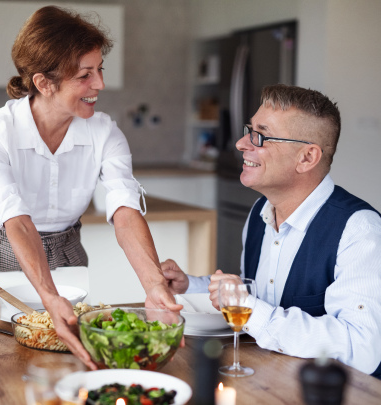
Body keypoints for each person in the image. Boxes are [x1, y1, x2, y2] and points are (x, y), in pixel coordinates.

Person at [0, 5, 181, 369]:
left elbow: (124, 211)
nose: (100, 85)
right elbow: (16, 219)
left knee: (63, 357)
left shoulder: (105, 132)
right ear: (44, 83)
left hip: (65, 253)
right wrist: (47, 294)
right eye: (85, 75)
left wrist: (153, 286)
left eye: (100, 70)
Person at [162, 84, 381, 377]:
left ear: (307, 158)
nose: (241, 143)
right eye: (248, 129)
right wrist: (190, 286)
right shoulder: (259, 213)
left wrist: (248, 308)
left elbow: (363, 349)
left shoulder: (360, 230)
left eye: (260, 136)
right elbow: (258, 292)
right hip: (270, 381)